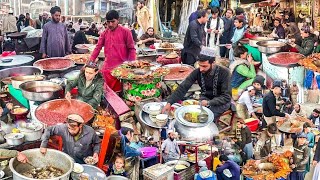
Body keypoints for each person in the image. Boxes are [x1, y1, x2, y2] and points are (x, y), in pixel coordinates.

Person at [162, 54, 231, 119]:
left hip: (221, 102)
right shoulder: (198, 72)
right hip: (205, 98)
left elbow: (226, 97)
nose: (201, 69)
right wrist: (170, 102)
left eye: (204, 66)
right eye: (199, 65)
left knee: (204, 118)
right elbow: (183, 87)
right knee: (190, 114)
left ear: (213, 63)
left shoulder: (225, 73)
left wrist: (209, 103)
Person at [89, 10, 136, 93]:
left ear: (118, 20)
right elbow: (98, 48)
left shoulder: (126, 32)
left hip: (122, 68)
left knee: (121, 92)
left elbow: (131, 49)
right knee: (106, 92)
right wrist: (90, 62)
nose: (110, 24)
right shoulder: (104, 33)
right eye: (108, 22)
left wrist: (132, 65)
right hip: (107, 68)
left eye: (113, 22)